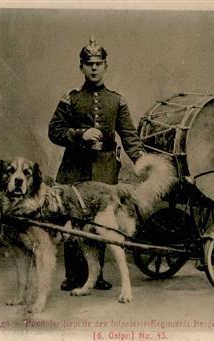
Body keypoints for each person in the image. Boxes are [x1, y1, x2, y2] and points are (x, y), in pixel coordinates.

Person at [48, 37, 145, 291]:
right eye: (88, 63)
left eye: (98, 63)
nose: (94, 68)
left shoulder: (117, 101)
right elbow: (54, 131)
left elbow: (130, 136)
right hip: (73, 170)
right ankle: (73, 276)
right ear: (81, 67)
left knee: (102, 222)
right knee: (71, 219)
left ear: (106, 66)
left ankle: (97, 275)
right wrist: (80, 134)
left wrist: (140, 160)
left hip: (103, 169)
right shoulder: (70, 99)